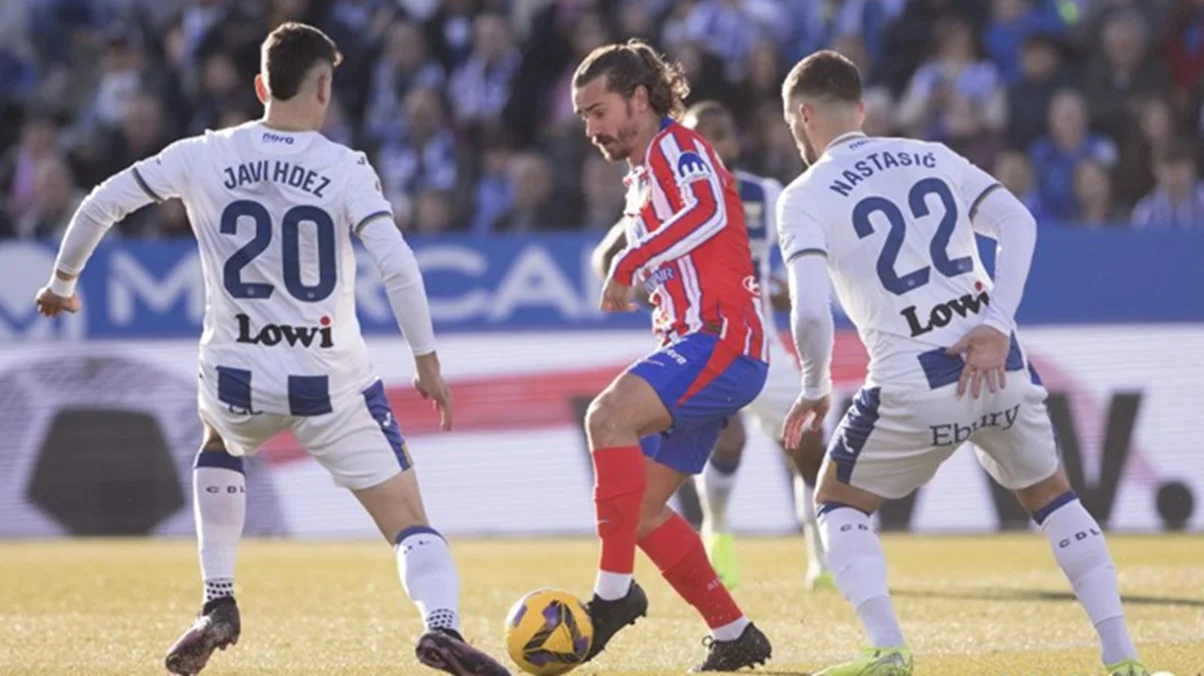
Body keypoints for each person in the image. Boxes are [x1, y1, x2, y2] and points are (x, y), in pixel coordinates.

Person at [33, 22, 508, 676]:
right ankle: (442, 626)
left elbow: (101, 203)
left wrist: (62, 284)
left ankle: (218, 600)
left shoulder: (203, 154)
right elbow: (397, 264)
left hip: (238, 377)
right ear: (324, 89)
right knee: (408, 520)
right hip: (328, 382)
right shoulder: (344, 167)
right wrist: (426, 361)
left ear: (261, 86)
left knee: (219, 441)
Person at [775, 50, 1149, 676]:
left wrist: (815, 386)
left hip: (913, 379)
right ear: (861, 110)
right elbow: (1018, 222)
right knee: (1054, 497)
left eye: (792, 125)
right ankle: (1124, 658)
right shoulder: (932, 155)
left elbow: (811, 312)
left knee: (837, 500)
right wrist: (996, 324)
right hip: (999, 365)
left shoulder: (804, 196)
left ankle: (887, 648)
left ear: (804, 116)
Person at [571, 39, 772, 672]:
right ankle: (734, 633)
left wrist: (630, 259)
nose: (592, 129)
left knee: (606, 418)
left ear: (639, 99)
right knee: (640, 512)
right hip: (697, 343)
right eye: (584, 117)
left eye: (598, 111)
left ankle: (612, 595)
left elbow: (707, 209)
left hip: (722, 342)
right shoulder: (641, 175)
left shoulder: (677, 147)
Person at [591, 100, 832, 593]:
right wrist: (644, 289)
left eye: (721, 134)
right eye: (702, 134)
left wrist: (786, 292)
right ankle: (717, 528)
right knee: (727, 440)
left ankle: (822, 557)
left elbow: (802, 263)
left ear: (735, 142)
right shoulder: (661, 188)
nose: (712, 145)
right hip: (698, 339)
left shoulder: (766, 194)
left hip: (759, 339)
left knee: (809, 445)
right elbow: (608, 254)